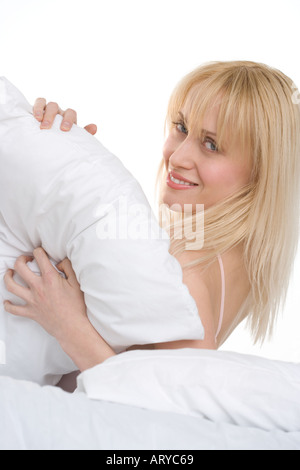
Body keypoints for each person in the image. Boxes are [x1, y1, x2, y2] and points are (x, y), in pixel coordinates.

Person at [3, 60, 300, 373]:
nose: (178, 156)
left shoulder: (188, 271)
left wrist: (67, 324)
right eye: (182, 128)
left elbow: (169, 411)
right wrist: (63, 151)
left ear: (261, 173)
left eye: (211, 144)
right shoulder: (231, 261)